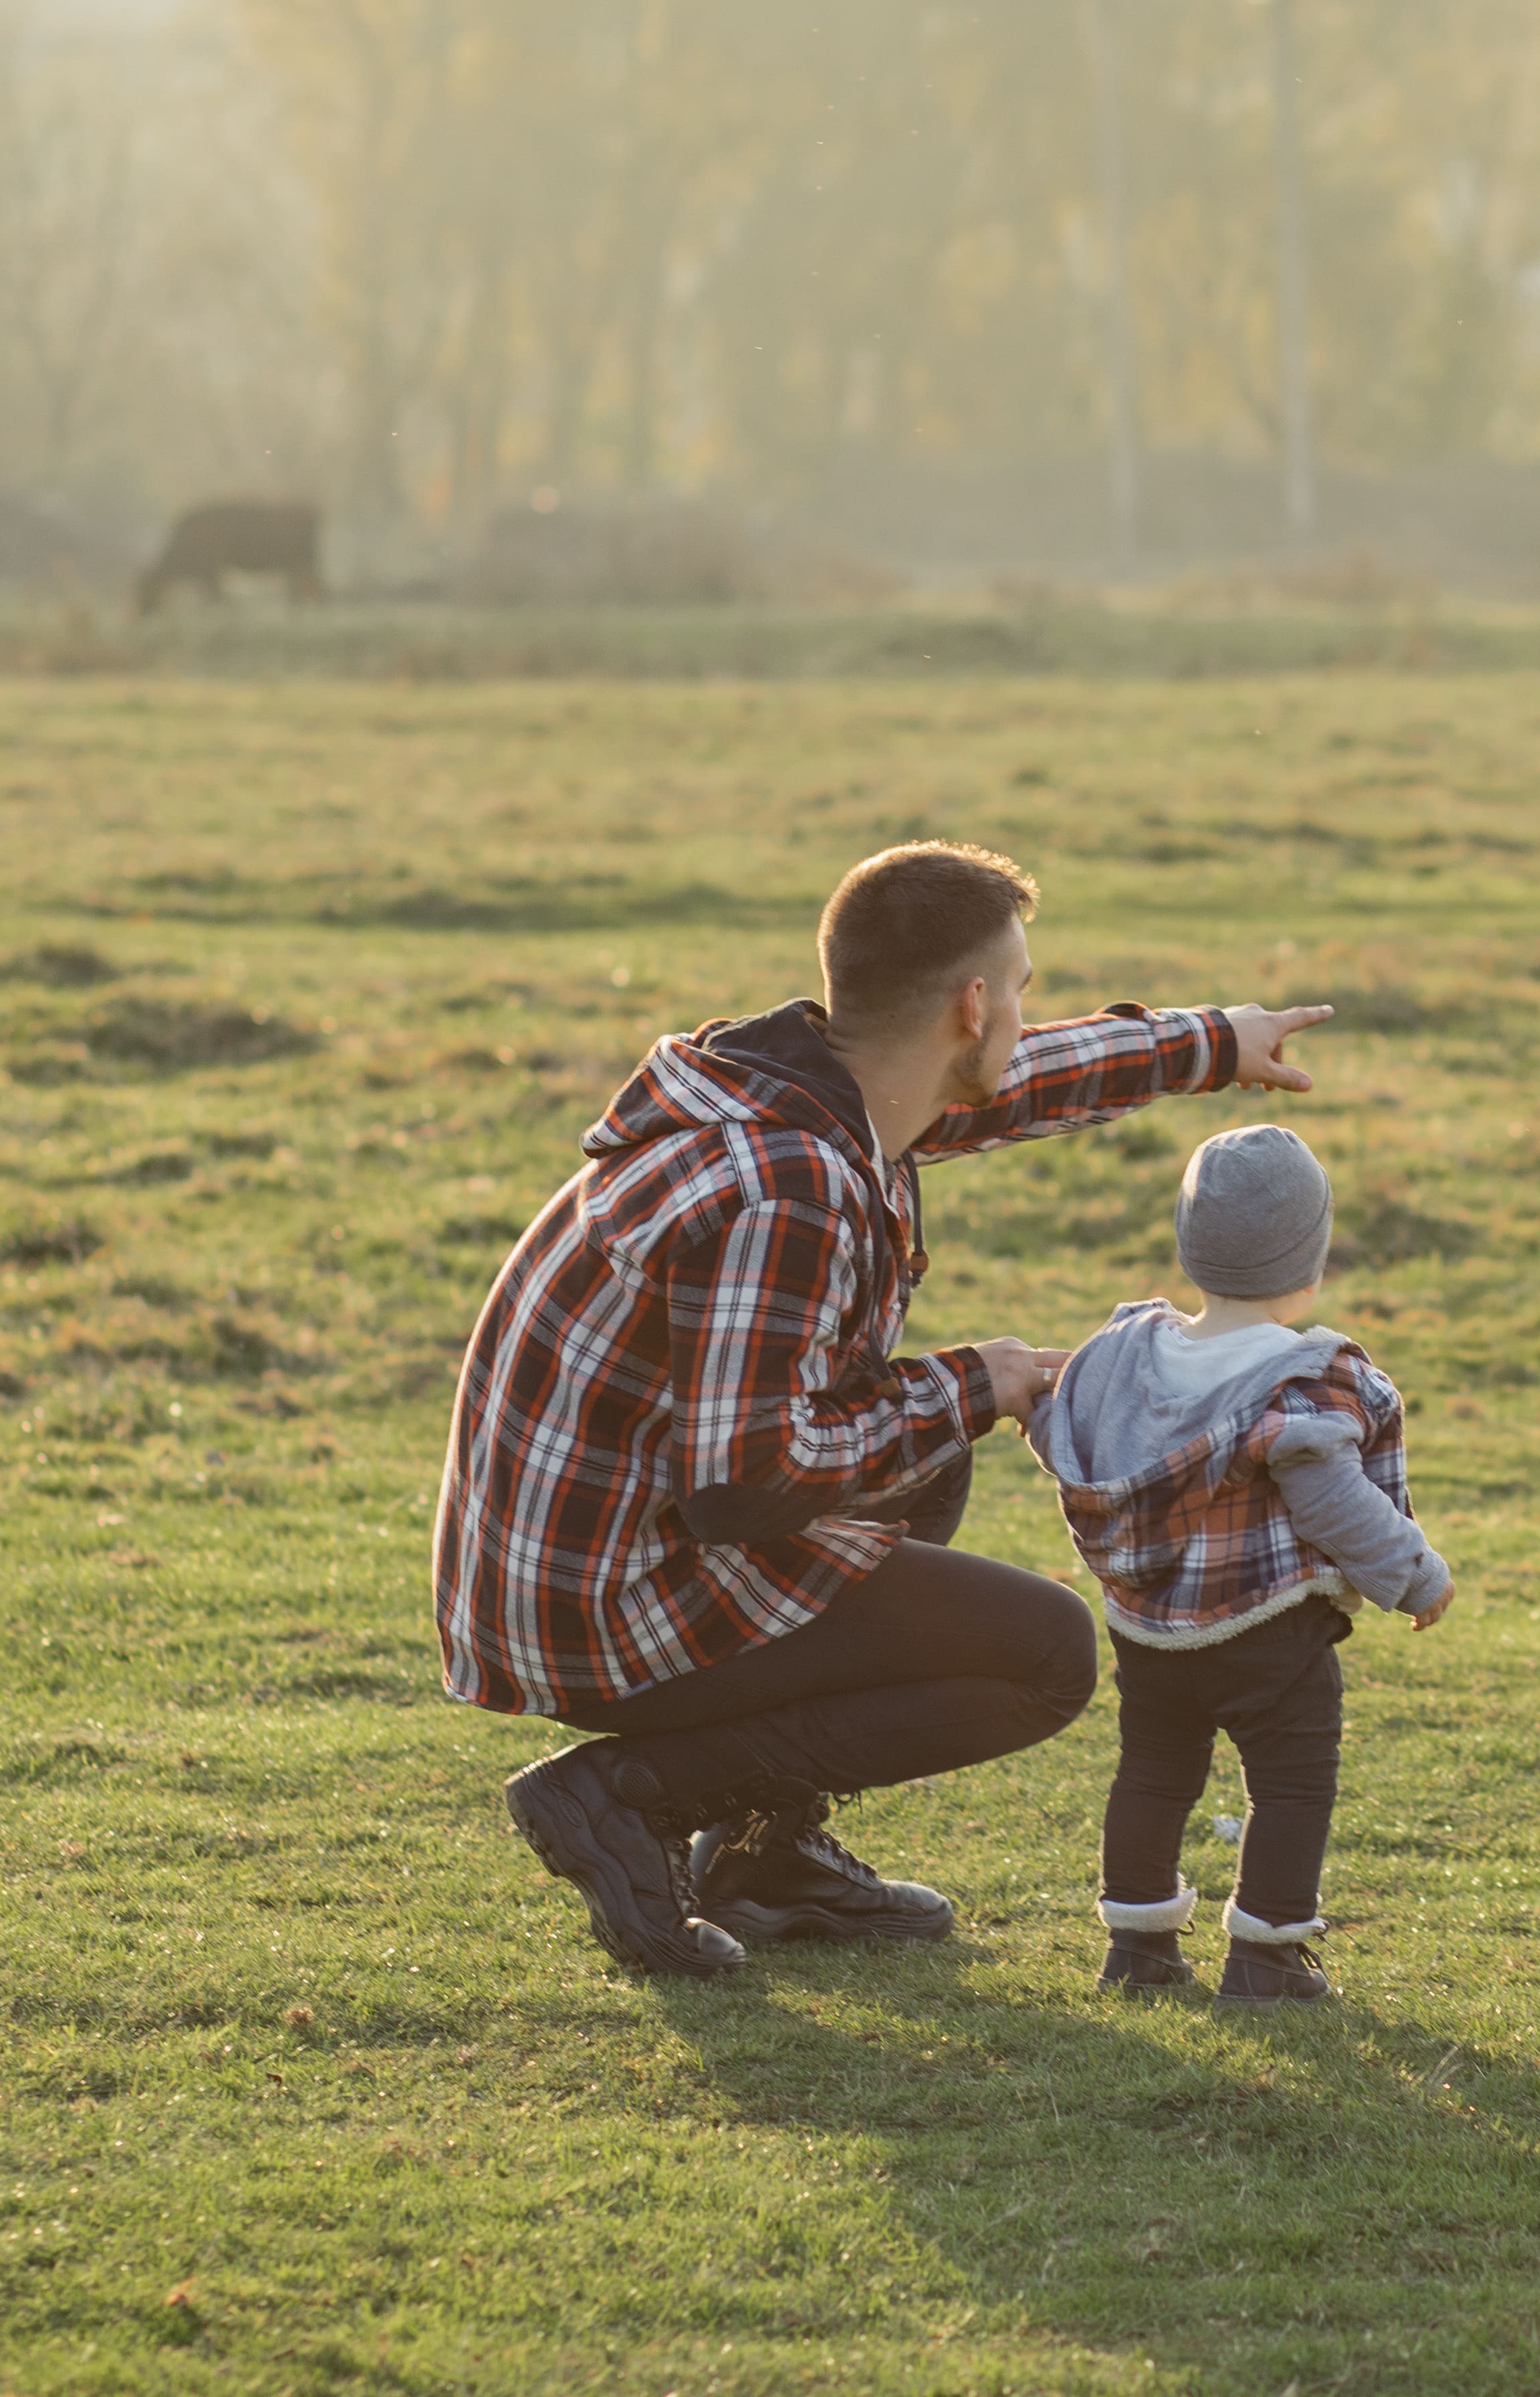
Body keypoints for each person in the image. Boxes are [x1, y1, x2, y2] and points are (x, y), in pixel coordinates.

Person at [432, 839, 1336, 1975]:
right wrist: (982, 1381)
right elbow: (744, 1484)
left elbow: (1013, 1083)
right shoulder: (790, 1191)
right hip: (596, 1609)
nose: (1021, 1014)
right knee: (1043, 1655)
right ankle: (625, 1794)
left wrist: (1210, 1045)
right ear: (971, 1004)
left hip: (569, 1562)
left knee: (925, 1463)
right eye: (1017, 991)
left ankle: (763, 1854)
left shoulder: (817, 1091)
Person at [1031, 1123, 1452, 2005]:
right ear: (1310, 1261)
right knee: (1293, 1782)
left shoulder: (1128, 1356)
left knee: (1153, 1771)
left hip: (1150, 1631)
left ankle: (1138, 1949)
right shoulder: (1297, 1379)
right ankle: (1266, 1958)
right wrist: (1412, 1572)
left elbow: (1066, 1433)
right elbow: (1333, 1500)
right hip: (1271, 1628)